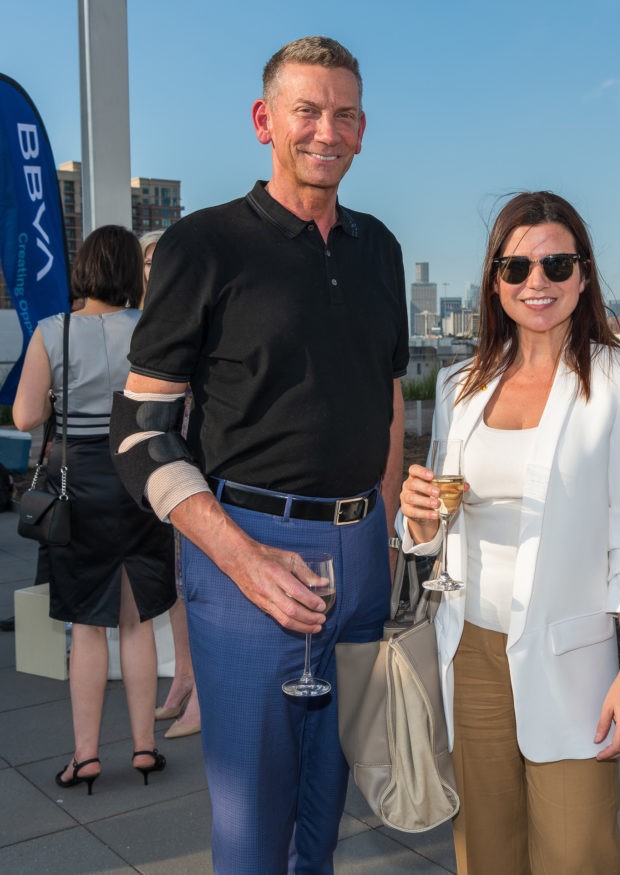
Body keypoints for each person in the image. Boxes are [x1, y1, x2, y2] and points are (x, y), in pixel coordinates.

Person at [109, 37, 407, 872]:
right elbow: (137, 429)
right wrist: (239, 558)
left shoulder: (378, 248)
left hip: (361, 553)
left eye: (344, 114)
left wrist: (379, 532)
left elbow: (388, 400)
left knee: (326, 807)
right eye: (306, 110)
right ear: (263, 120)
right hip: (247, 548)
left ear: (361, 129)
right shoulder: (203, 245)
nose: (326, 130)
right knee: (250, 821)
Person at [399, 191, 620, 874]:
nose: (535, 283)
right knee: (486, 852)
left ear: (583, 274)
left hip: (572, 655)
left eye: (555, 264)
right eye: (516, 268)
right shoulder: (462, 384)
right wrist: (418, 515)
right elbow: (429, 529)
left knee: (579, 853)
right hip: (471, 648)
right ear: (495, 281)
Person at [13, 224, 176, 794]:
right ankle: (143, 748)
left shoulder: (52, 333)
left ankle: (84, 758)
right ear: (132, 273)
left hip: (77, 484)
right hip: (140, 477)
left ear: (83, 268)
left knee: (86, 629)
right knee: (136, 623)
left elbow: (25, 417)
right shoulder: (151, 330)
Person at [137, 229, 202, 740]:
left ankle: (201, 690)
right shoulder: (141, 322)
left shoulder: (196, 313)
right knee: (175, 582)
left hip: (191, 463)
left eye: (164, 259)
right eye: (148, 261)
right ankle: (183, 677)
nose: (156, 269)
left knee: (194, 577)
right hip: (151, 466)